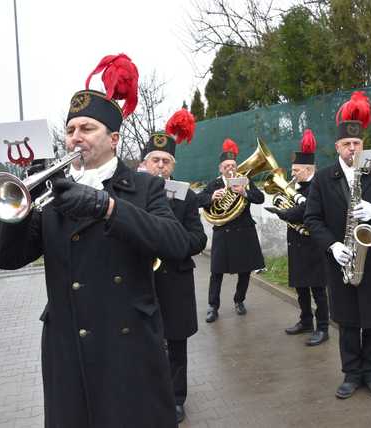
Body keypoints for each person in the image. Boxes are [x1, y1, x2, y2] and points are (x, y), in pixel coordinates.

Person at [0, 54, 189, 428]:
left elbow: (176, 243)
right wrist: (21, 202)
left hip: (128, 346)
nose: (75, 137)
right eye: (70, 129)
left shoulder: (145, 186)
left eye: (87, 128)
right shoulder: (52, 192)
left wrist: (108, 206)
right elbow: (6, 257)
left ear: (114, 139)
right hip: (69, 347)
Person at [304, 92, 371, 400]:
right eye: (347, 144)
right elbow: (312, 219)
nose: (352, 148)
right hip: (341, 256)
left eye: (357, 144)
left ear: (363, 145)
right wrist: (332, 246)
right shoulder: (322, 179)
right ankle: (351, 372)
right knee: (347, 319)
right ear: (337, 147)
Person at [138, 109, 207, 424]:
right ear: (144, 164)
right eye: (156, 160)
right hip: (140, 282)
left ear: (173, 166)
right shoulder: (131, 193)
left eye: (166, 162)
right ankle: (149, 395)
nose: (161, 166)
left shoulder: (187, 197)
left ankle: (177, 399)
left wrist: (170, 237)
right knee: (144, 343)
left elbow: (198, 239)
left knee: (176, 345)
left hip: (175, 281)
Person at [266, 129, 329, 346]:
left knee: (318, 289)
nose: (292, 174)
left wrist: (283, 213)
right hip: (296, 242)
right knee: (301, 287)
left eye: (295, 170)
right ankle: (305, 321)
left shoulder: (318, 185)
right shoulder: (297, 186)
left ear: (307, 169)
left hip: (313, 245)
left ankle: (323, 328)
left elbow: (305, 211)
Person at [198, 139, 265, 322]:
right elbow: (198, 199)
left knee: (245, 271)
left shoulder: (245, 180)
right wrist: (211, 197)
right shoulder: (214, 184)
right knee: (217, 272)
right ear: (220, 168)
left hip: (244, 232)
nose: (230, 168)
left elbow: (259, 198)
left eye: (233, 165)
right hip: (223, 233)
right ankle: (213, 306)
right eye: (226, 166)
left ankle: (239, 300)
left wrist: (244, 192)